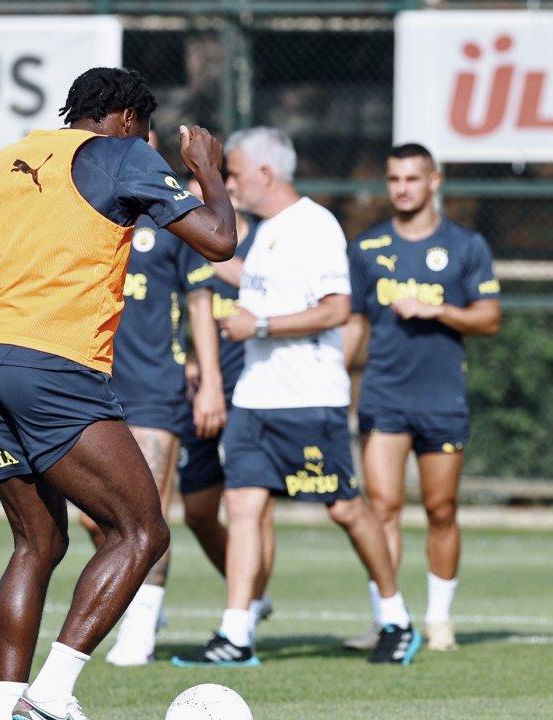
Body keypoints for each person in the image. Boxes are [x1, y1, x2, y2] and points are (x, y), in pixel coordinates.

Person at [0, 67, 235, 720]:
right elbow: (219, 242)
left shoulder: (2, 161)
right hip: (55, 368)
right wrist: (208, 171)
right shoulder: (122, 154)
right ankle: (50, 696)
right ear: (128, 119)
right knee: (141, 531)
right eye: (146, 129)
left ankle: (8, 711)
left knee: (39, 544)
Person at [171, 127, 421, 667]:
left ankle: (395, 616)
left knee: (345, 509)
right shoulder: (266, 232)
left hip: (308, 398)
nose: (231, 184)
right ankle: (236, 633)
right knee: (242, 505)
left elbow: (336, 309)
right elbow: (247, 279)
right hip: (254, 399)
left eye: (235, 174)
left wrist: (259, 326)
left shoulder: (314, 225)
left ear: (266, 174)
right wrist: (183, 221)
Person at [342, 143, 501, 652]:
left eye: (412, 178)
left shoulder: (466, 245)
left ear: (434, 181)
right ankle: (389, 620)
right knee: (382, 509)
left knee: (441, 510)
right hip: (383, 395)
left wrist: (438, 311)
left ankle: (438, 619)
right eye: (394, 179)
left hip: (441, 398)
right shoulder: (367, 248)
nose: (402, 188)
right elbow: (354, 323)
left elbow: (489, 317)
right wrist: (336, 377)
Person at [79, 135, 229, 668]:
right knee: (93, 518)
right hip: (94, 381)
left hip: (155, 387)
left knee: (147, 513)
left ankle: (140, 629)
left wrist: (210, 383)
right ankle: (139, 594)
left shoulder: (171, 212)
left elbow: (200, 303)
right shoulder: (84, 205)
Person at [176, 178, 276, 639]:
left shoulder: (266, 242)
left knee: (251, 504)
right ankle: (248, 590)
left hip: (252, 388)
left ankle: (249, 605)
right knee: (198, 512)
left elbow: (277, 289)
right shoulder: (177, 241)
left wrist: (216, 255)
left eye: (204, 194)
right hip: (194, 391)